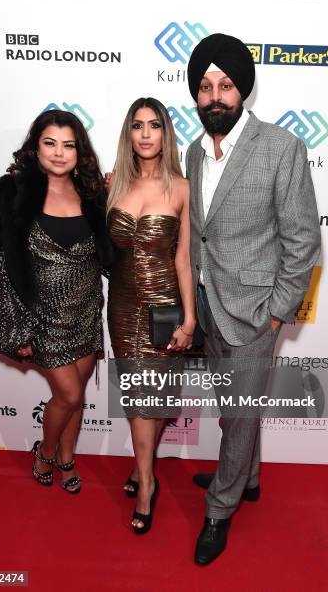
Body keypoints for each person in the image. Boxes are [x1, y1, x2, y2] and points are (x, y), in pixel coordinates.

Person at [185, 34, 321, 564]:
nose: (214, 96)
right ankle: (248, 475)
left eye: (225, 85)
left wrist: (278, 313)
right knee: (233, 413)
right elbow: (201, 232)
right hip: (208, 306)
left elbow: (303, 240)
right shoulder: (194, 152)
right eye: (204, 86)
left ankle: (221, 507)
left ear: (244, 90)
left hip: (254, 312)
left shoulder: (280, 147)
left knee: (239, 414)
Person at [0, 109, 112, 494]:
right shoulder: (13, 191)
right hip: (39, 317)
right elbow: (0, 265)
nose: (59, 152)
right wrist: (19, 327)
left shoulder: (92, 192)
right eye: (50, 143)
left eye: (68, 145)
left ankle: (67, 460)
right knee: (67, 394)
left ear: (78, 151)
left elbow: (109, 250)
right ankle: (45, 452)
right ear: (36, 147)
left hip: (85, 311)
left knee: (76, 396)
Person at [107, 97, 196, 533]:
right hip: (121, 307)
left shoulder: (181, 188)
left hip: (164, 308)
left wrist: (190, 320)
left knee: (153, 399)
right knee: (138, 398)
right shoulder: (113, 186)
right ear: (129, 134)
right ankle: (145, 472)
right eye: (137, 125)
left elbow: (184, 260)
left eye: (154, 125)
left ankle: (145, 481)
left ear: (165, 133)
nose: (145, 133)